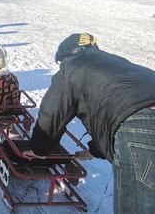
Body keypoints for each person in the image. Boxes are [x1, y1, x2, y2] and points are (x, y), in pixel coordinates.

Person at [22, 33, 155, 214]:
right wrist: (94, 151)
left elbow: (52, 114)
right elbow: (114, 111)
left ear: (67, 56)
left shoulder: (71, 68)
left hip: (142, 126)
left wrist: (39, 149)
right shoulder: (115, 62)